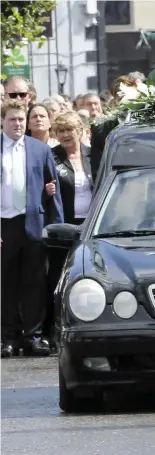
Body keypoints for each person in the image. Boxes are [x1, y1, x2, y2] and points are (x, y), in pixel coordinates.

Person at [1, 99, 64, 358]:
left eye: (21, 120)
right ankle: (7, 338)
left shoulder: (39, 150)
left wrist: (55, 228)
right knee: (5, 284)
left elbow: (53, 191)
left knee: (35, 283)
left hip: (33, 224)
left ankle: (34, 336)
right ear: (2, 122)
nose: (18, 124)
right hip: (4, 224)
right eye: (13, 120)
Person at [44, 112, 93, 348]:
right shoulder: (51, 157)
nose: (64, 135)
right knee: (58, 277)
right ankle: (54, 330)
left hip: (91, 224)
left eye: (69, 130)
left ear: (80, 131)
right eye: (60, 131)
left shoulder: (93, 155)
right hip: (64, 224)